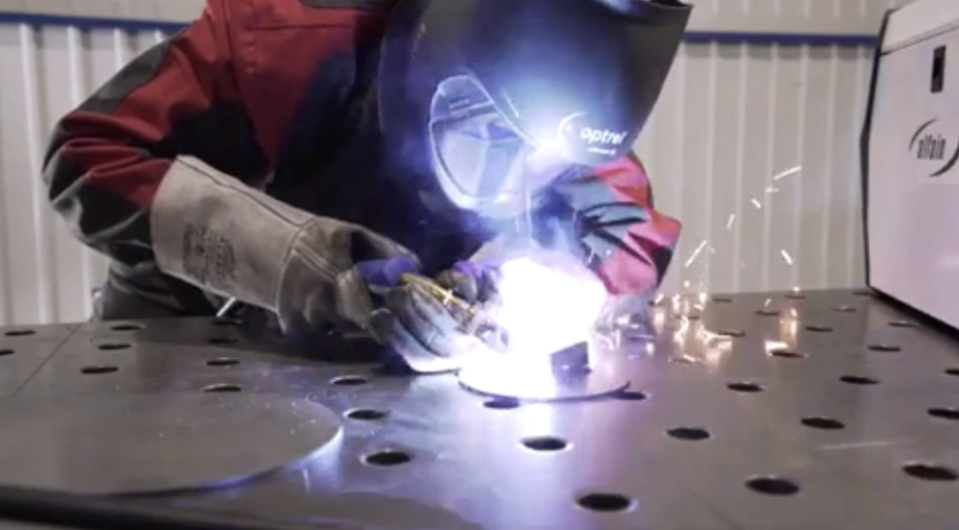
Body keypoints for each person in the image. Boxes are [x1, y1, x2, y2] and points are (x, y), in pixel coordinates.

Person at [42, 0, 691, 372]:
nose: (519, 176)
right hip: (187, 347)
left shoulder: (570, 105)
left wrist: (542, 286)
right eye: (492, 129)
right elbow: (87, 154)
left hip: (383, 378)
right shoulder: (285, 39)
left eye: (541, 155)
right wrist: (291, 260)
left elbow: (626, 233)